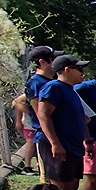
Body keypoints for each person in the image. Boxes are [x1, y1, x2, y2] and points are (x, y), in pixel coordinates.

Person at [36, 55, 90, 190]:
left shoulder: (71, 91)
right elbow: (43, 114)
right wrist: (55, 143)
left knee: (71, 188)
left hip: (74, 147)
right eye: (79, 69)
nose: (82, 72)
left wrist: (88, 140)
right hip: (60, 146)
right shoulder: (54, 87)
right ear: (66, 70)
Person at [24, 46, 62, 177]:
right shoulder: (35, 83)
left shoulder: (52, 81)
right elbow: (40, 113)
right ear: (42, 62)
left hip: (60, 133)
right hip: (46, 136)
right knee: (49, 177)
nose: (56, 62)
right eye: (52, 59)